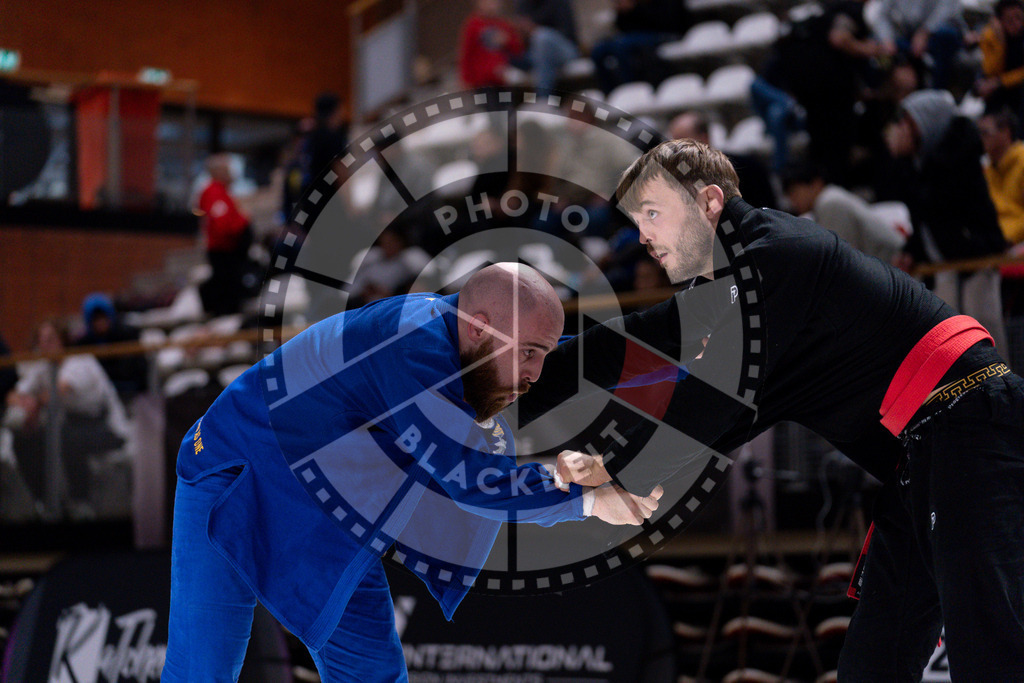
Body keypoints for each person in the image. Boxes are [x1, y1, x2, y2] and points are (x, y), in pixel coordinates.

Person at [518, 139, 1024, 679]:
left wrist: (619, 476)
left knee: (989, 653)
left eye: (652, 214)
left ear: (709, 202)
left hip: (972, 430)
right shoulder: (745, 279)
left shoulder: (780, 255)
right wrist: (511, 392)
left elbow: (713, 401)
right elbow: (633, 344)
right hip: (924, 459)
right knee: (873, 663)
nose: (641, 236)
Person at [161, 263, 663, 682]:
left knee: (374, 677)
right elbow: (469, 482)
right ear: (480, 326)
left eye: (541, 352)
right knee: (201, 674)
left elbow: (569, 360)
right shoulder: (412, 346)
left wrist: (671, 354)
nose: (534, 372)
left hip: (328, 506)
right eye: (531, 353)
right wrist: (588, 502)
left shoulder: (468, 336)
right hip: (234, 472)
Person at [885, 89, 1009, 351]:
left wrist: (905, 163)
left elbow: (939, 207)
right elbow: (921, 221)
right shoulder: (915, 164)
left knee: (986, 344)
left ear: (926, 122)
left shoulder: (957, 158)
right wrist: (911, 251)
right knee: (949, 349)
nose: (901, 129)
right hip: (943, 265)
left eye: (907, 122)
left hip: (976, 261)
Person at [4, 318, 128, 517]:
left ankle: (81, 502)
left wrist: (33, 403)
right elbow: (15, 393)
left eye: (50, 339)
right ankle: (43, 501)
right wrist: (22, 402)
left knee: (65, 437)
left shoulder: (80, 360)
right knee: (25, 439)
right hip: (72, 427)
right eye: (41, 341)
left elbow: (60, 389)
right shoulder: (43, 367)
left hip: (106, 427)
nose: (45, 345)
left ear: (62, 341)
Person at [781, 161, 906, 264]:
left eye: (795, 192)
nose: (793, 201)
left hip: (899, 266)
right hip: (886, 267)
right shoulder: (830, 198)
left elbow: (843, 261)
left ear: (816, 184)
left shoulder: (829, 202)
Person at [669, 110, 777, 210]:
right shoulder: (677, 176)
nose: (676, 150)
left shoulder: (746, 167)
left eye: (682, 142)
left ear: (703, 139)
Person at [589, 0, 691, 95]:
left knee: (622, 47)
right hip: (635, 36)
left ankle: (631, 90)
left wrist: (636, 8)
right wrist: (624, 12)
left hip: (665, 32)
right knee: (598, 50)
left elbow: (666, 21)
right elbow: (624, 28)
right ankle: (609, 93)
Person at [197, 154, 254, 316]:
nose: (231, 173)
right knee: (226, 289)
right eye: (227, 170)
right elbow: (222, 224)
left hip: (227, 249)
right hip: (224, 250)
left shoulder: (222, 192)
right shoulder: (213, 192)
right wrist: (242, 224)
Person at [873, 0, 965, 90]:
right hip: (906, 36)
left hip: (936, 32)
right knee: (876, 46)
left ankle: (938, 91)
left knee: (946, 35)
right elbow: (882, 16)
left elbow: (947, 10)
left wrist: (925, 31)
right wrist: (887, 39)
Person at [72, 293, 148, 401]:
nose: (100, 323)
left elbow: (136, 367)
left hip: (127, 389)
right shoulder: (83, 343)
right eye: (96, 320)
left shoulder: (126, 335)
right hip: (96, 393)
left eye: (103, 318)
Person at [980, 107, 1024, 247]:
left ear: (1005, 132)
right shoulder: (987, 170)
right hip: (996, 245)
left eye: (985, 133)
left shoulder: (1022, 162)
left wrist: (1007, 238)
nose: (980, 139)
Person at [458, 0, 527, 89]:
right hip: (483, 81)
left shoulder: (503, 24)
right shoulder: (473, 25)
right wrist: (465, 79)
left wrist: (507, 41)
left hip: (503, 77)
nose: (491, 5)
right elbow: (466, 53)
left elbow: (517, 50)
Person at [514, 0, 580, 92]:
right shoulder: (523, 5)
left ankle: (543, 98)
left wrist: (534, 29)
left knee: (542, 37)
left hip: (566, 50)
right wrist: (524, 33)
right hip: (535, 54)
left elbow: (568, 33)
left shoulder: (558, 2)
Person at [977, 0, 1024, 116]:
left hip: (1012, 83)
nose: (1016, 24)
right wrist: (1000, 42)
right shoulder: (991, 35)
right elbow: (990, 71)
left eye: (1019, 17)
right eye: (1009, 20)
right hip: (998, 82)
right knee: (984, 86)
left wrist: (1000, 82)